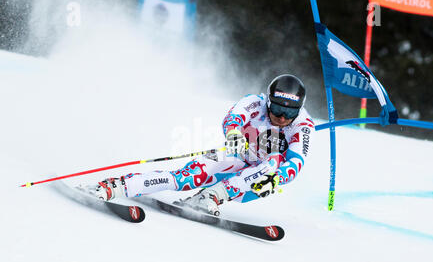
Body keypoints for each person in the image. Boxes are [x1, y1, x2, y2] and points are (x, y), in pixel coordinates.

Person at [94, 74, 314, 216]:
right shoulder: (254, 103)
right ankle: (118, 185)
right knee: (186, 177)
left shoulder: (303, 126)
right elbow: (233, 118)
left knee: (273, 162)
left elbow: (296, 162)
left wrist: (277, 179)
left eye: (290, 112)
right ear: (268, 101)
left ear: (299, 109)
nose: (283, 118)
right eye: (277, 109)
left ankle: (211, 196)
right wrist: (234, 134)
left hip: (256, 180)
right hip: (237, 155)